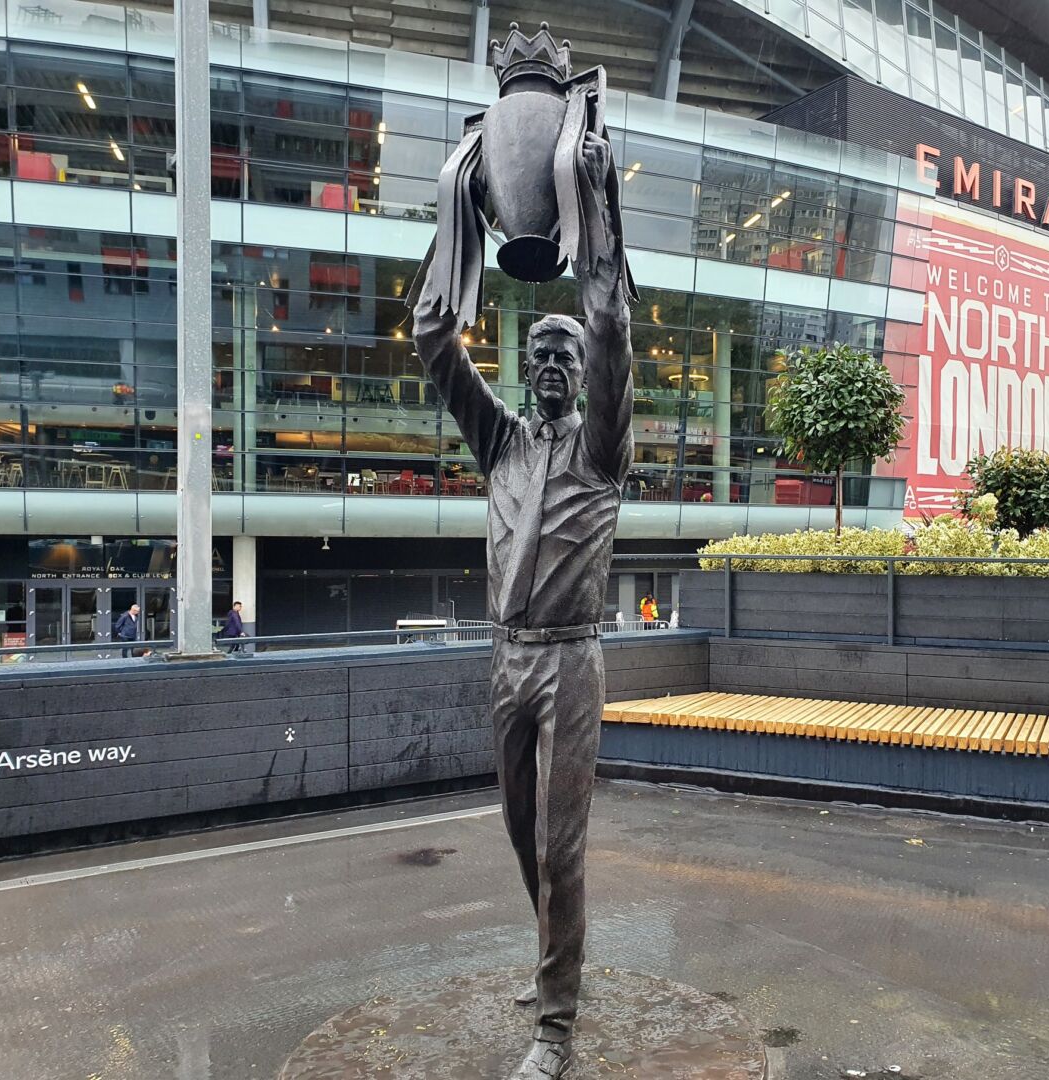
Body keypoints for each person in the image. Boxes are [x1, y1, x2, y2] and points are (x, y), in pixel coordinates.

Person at [414, 130, 630, 1080]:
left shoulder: (601, 449)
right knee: (517, 832)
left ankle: (555, 1026)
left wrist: (595, 207)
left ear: (581, 375)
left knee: (560, 844)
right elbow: (432, 338)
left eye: (563, 355)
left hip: (571, 660)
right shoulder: (499, 442)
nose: (549, 364)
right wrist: (456, 205)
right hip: (505, 656)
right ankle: (553, 958)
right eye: (537, 353)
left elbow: (610, 322)